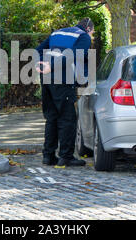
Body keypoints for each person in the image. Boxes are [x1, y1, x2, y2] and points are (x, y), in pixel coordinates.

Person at [35, 18, 94, 166]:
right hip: (63, 80)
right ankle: (66, 156)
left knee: (52, 117)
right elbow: (72, 56)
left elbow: (37, 51)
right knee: (67, 119)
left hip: (47, 80)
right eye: (92, 33)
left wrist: (43, 64)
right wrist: (52, 67)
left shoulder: (57, 32)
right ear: (88, 29)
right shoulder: (83, 37)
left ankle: (48, 156)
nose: (92, 37)